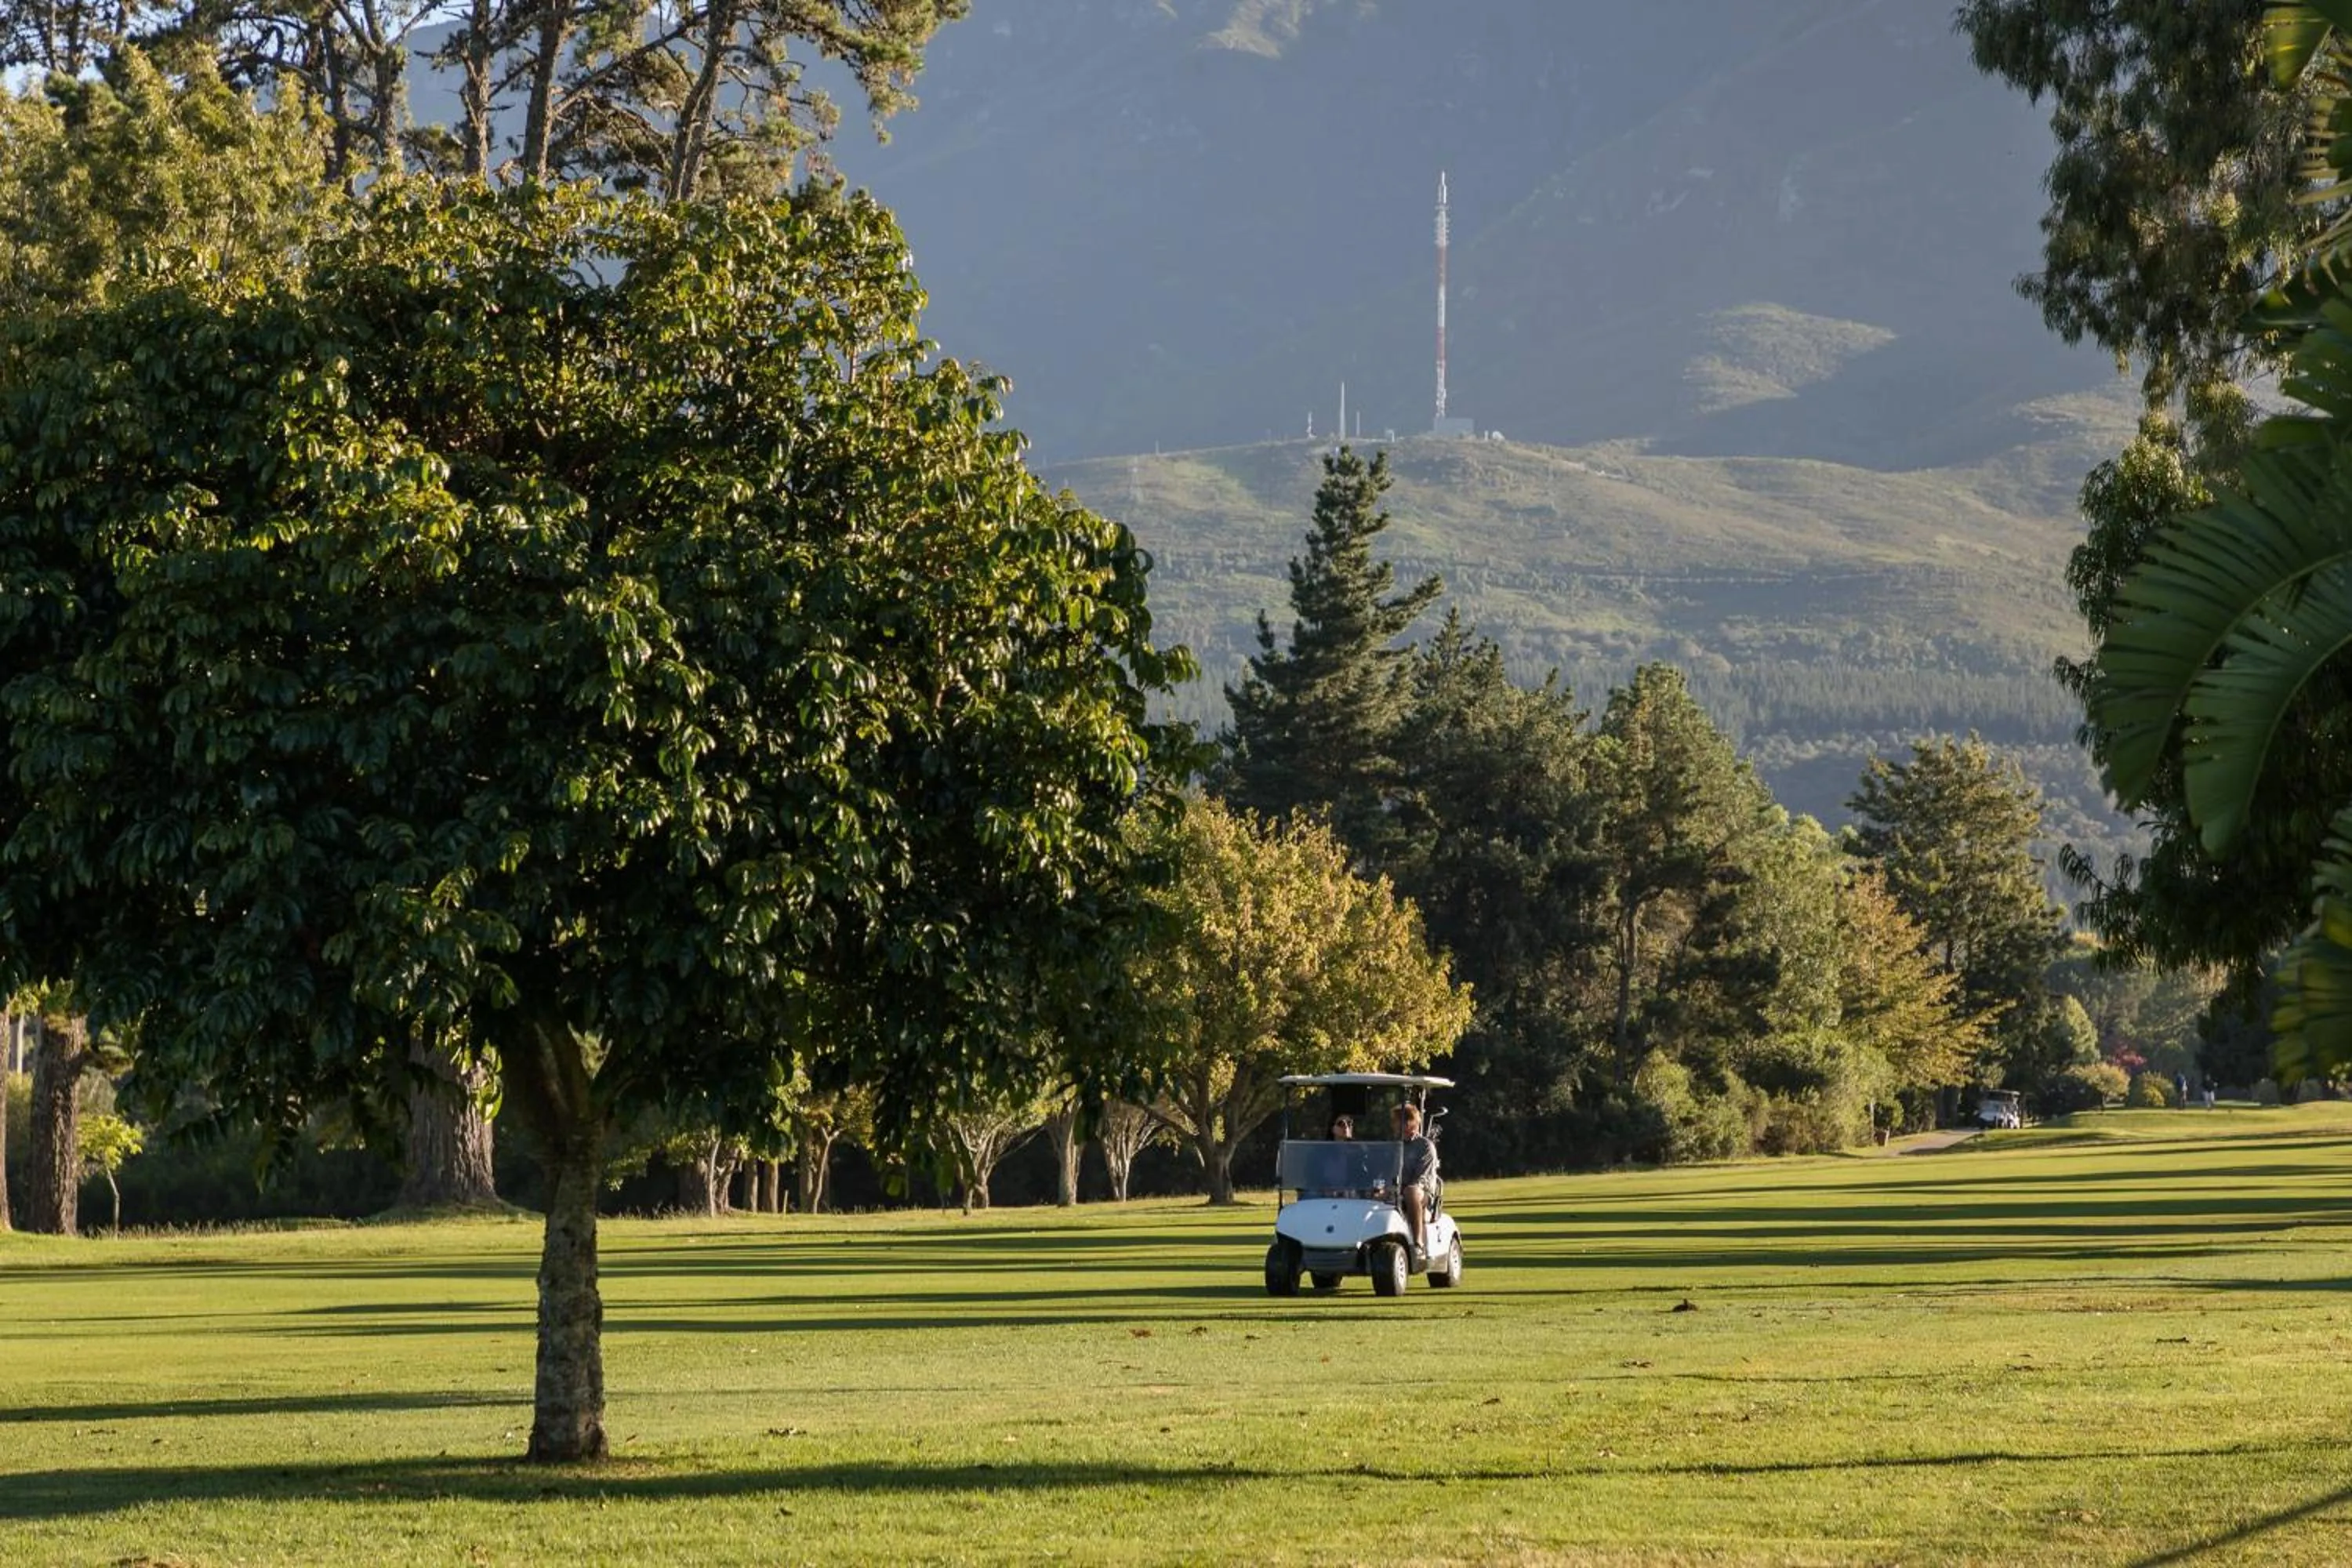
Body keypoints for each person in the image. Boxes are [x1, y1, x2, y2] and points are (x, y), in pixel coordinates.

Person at [1392, 1102, 1439, 1258]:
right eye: (1400, 1121)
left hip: (1422, 1193)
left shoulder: (1425, 1146)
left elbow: (1423, 1178)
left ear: (1416, 1122)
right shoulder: (1392, 1145)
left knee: (1411, 1191)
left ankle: (1418, 1243)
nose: (1403, 1125)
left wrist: (1403, 1187)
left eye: (1407, 1121)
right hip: (1395, 1189)